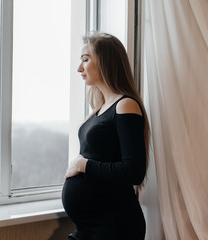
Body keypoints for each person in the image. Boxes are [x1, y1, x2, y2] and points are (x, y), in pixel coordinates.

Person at [62, 32, 150, 240]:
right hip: (90, 228)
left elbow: (134, 171)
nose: (79, 68)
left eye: (85, 59)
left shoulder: (126, 105)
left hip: (114, 226)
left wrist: (83, 166)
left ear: (105, 61)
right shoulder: (101, 108)